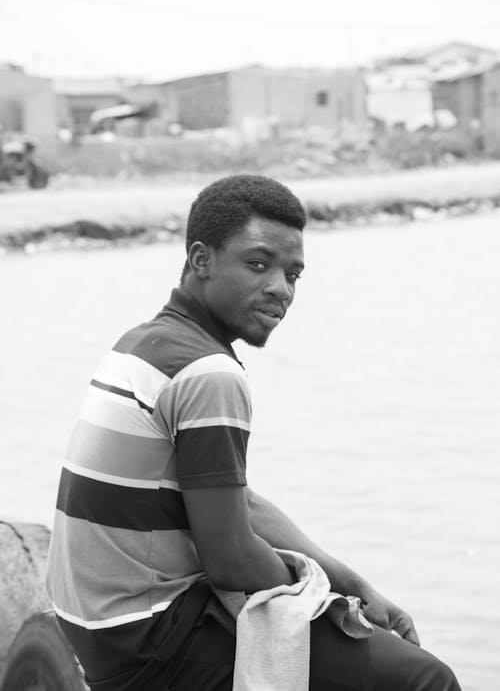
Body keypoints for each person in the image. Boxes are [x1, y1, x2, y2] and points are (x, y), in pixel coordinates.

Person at [46, 174, 461, 691]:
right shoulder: (210, 373)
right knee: (423, 678)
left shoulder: (144, 344)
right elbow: (231, 559)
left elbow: (236, 501)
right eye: (258, 264)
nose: (280, 289)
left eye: (293, 274)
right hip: (150, 638)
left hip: (93, 627)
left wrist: (351, 583)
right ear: (202, 260)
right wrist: (322, 599)